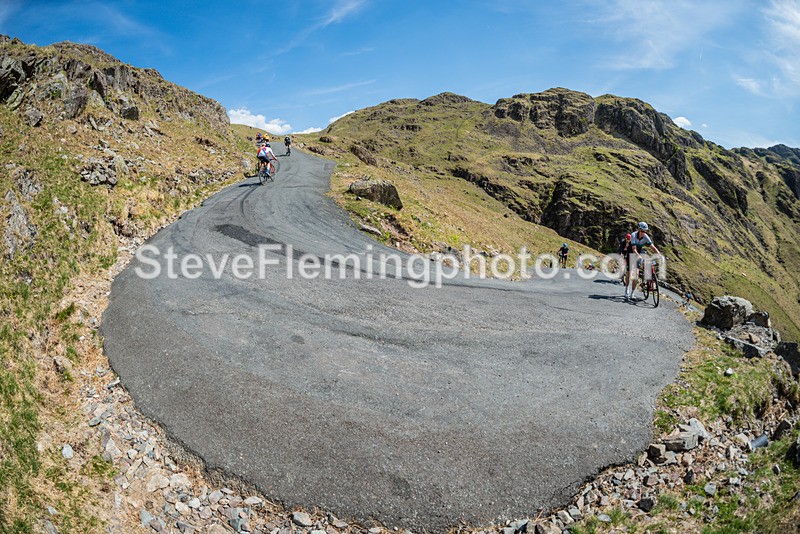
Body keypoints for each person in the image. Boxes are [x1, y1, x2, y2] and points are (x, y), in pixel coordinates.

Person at [626, 222, 661, 300]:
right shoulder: (633, 235)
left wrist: (659, 254)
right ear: (639, 230)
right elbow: (634, 249)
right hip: (631, 252)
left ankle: (632, 293)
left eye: (645, 231)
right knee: (629, 272)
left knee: (636, 274)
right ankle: (626, 288)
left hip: (639, 251)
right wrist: (638, 256)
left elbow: (653, 247)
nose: (643, 233)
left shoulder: (645, 236)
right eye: (642, 231)